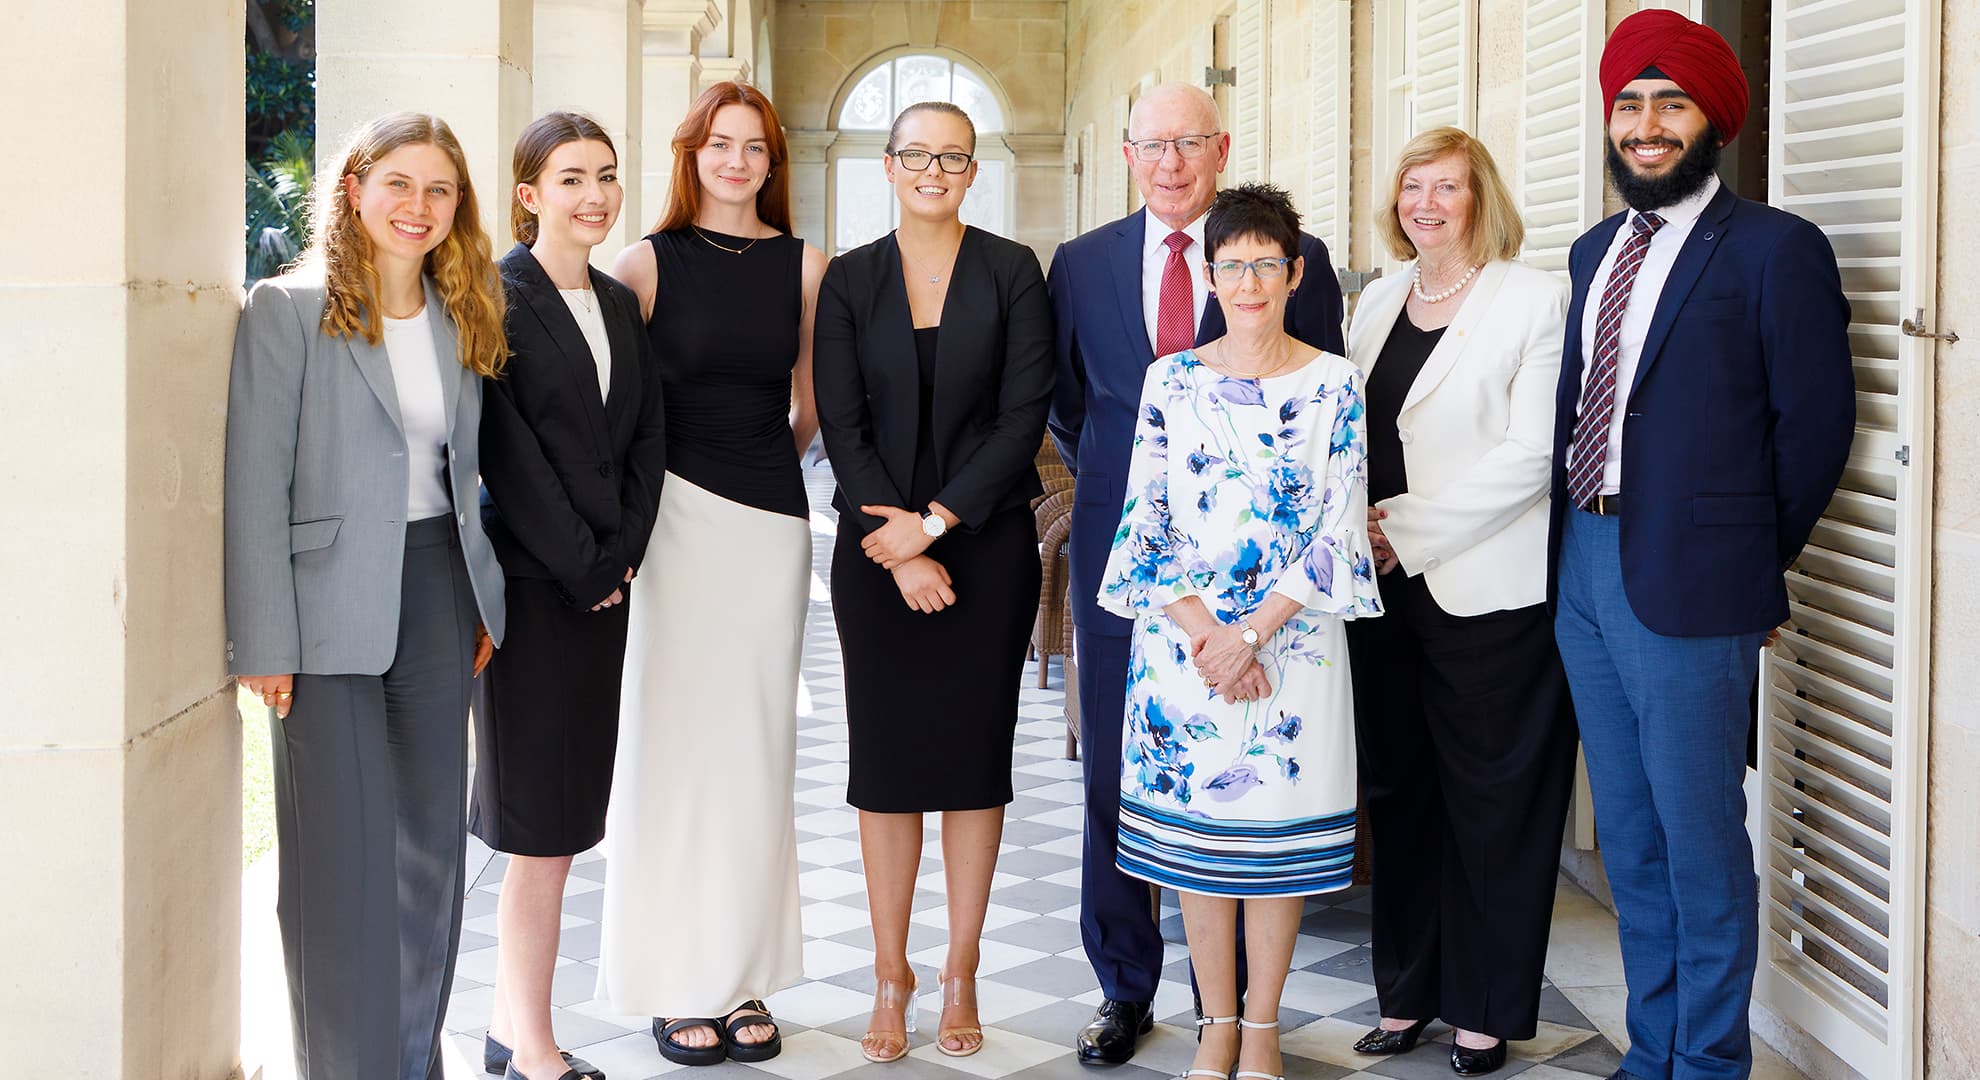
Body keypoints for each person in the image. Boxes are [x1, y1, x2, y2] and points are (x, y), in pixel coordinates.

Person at [1549, 12, 1855, 1079]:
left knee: (1699, 838)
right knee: (1628, 837)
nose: (1646, 126)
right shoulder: (1595, 250)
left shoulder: (1776, 248)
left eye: (1670, 103)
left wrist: (1750, 568)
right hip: (1584, 571)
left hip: (1693, 585)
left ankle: (1712, 1061)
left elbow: (1816, 426)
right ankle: (1656, 1048)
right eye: (1629, 105)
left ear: (1712, 117)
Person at [1045, 82, 1346, 1064]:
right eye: (1151, 144)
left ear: (1220, 149)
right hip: (1135, 560)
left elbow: (1323, 419)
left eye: (1189, 143)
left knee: (1254, 782)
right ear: (1127, 152)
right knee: (1117, 774)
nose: (1170, 161)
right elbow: (1066, 404)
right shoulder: (1081, 264)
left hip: (1272, 591)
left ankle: (1248, 1016)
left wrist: (1252, 617)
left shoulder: (1299, 265)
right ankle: (1126, 987)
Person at [224, 111, 506, 1080]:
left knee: (431, 856)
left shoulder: (462, 308)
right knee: (338, 869)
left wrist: (480, 601)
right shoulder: (287, 309)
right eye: (398, 184)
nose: (417, 207)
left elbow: (465, 474)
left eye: (439, 190)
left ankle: (412, 1059)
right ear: (354, 188)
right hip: (322, 610)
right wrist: (264, 637)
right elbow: (254, 483)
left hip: (439, 596)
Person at [1099, 182, 1381, 1080]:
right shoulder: (1169, 380)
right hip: (1186, 648)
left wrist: (1252, 635)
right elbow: (1144, 520)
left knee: (1275, 845)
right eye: (1233, 266)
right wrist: (1209, 635)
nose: (1250, 281)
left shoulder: (1336, 382)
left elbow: (1340, 523)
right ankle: (1214, 1021)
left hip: (1290, 646)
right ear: (1210, 275)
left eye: (1267, 263)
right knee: (1196, 846)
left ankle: (1262, 1028)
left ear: (1295, 273)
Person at [813, 99, 1054, 1064]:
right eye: (917, 154)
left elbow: (1022, 414)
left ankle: (959, 967)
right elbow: (842, 421)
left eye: (953, 157)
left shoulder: (1011, 272)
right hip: (875, 558)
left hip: (985, 552)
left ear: (972, 170)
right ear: (888, 164)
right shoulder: (847, 280)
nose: (934, 171)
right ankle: (889, 970)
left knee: (970, 765)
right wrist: (901, 544)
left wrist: (940, 524)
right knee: (886, 772)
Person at [597, 80, 826, 1067]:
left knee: (755, 754)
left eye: (755, 148)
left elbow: (811, 403)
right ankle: (672, 978)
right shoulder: (644, 263)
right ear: (690, 154)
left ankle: (741, 978)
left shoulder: (807, 266)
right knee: (670, 748)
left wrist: (763, 467)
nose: (737, 162)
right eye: (719, 145)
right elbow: (600, 404)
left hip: (769, 523)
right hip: (673, 523)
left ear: (774, 164)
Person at [1340, 127, 1575, 1078]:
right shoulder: (1379, 300)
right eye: (1411, 188)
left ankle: (1483, 1010)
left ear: (1482, 197)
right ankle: (1407, 996)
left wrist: (1406, 527)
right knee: (1401, 794)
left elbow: (1531, 457)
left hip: (1486, 591)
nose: (1425, 204)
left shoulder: (1536, 296)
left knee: (1496, 805)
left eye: (1446, 188)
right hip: (1380, 591)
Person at [472, 112, 668, 1080]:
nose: (594, 195)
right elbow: (506, 455)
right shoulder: (496, 297)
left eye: (606, 176)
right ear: (528, 193)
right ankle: (536, 1053)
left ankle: (512, 1029)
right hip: (534, 601)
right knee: (536, 837)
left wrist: (622, 554)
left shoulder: (620, 303)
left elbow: (645, 443)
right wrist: (587, 565)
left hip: (603, 595)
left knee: (559, 828)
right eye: (571, 178)